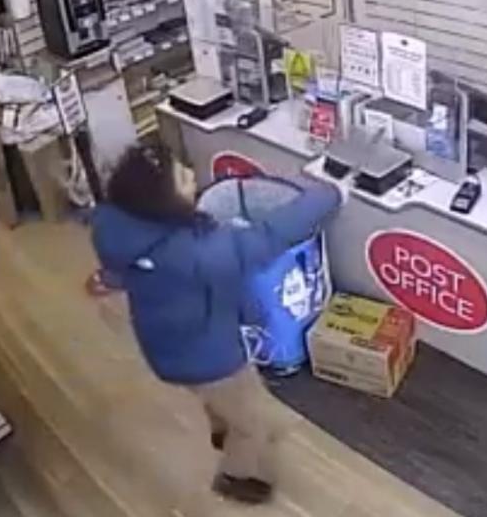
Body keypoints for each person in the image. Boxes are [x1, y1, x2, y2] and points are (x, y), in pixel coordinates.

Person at [90, 143, 346, 504]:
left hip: (164, 347)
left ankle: (221, 429)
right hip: (213, 357)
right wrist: (332, 192)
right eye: (182, 177)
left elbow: (121, 270)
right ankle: (238, 476)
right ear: (159, 200)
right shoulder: (198, 252)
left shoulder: (115, 225)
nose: (193, 177)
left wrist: (110, 281)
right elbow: (268, 236)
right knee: (254, 421)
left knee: (215, 398)